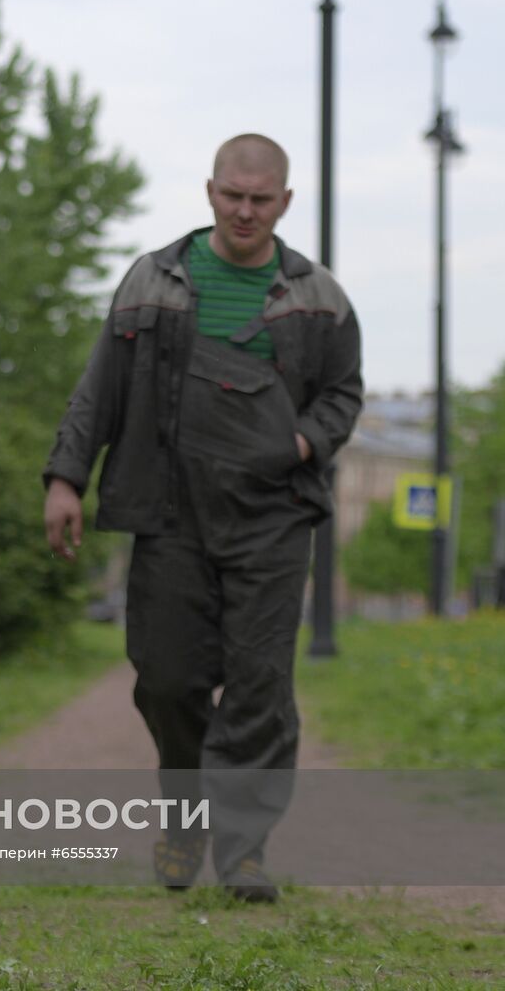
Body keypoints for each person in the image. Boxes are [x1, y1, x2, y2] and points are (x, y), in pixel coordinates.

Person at [41, 133, 363, 902]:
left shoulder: (318, 298)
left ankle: (244, 851)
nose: (245, 211)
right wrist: (65, 477)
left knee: (260, 687)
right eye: (233, 195)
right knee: (167, 679)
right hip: (169, 511)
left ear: (285, 202)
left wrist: (300, 441)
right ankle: (186, 820)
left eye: (261, 199)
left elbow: (343, 393)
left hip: (273, 515)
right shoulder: (152, 280)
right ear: (211, 192)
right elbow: (101, 387)